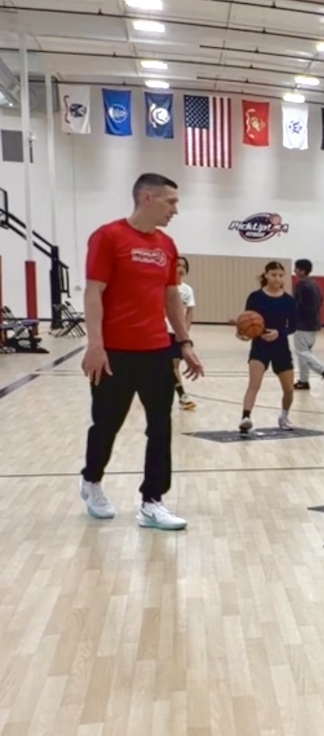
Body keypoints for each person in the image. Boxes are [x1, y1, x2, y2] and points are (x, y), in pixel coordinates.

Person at [79, 172, 204, 531]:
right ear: (147, 198)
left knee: (160, 427)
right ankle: (91, 479)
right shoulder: (108, 237)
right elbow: (93, 292)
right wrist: (95, 345)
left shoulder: (167, 245)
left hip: (156, 351)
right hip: (115, 353)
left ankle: (152, 501)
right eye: (171, 201)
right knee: (107, 425)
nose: (175, 210)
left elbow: (171, 297)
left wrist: (184, 342)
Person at [239, 261, 297, 433]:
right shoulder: (255, 297)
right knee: (254, 384)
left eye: (280, 275)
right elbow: (246, 319)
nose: (277, 278)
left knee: (289, 389)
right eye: (273, 275)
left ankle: (284, 416)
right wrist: (243, 333)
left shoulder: (288, 301)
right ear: (266, 275)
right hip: (260, 344)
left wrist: (279, 333)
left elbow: (293, 326)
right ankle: (245, 417)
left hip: (280, 346)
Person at [292, 258, 324, 390]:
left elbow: (296, 304)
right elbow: (322, 302)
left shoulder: (301, 284)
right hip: (314, 323)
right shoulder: (315, 284)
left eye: (296, 268)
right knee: (305, 352)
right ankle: (303, 381)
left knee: (301, 352)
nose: (294, 270)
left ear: (302, 270)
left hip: (302, 324)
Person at [167, 255, 196, 410]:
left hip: (178, 333)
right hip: (163, 331)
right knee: (171, 366)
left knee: (173, 365)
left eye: (184, 266)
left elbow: (189, 311)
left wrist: (185, 332)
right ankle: (182, 396)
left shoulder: (187, 290)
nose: (181, 268)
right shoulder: (164, 287)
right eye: (178, 265)